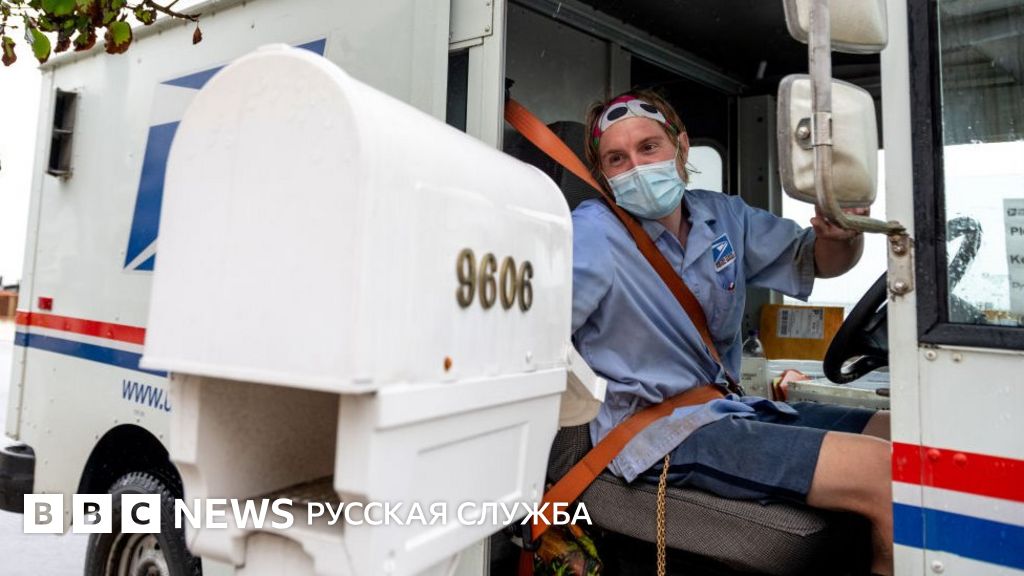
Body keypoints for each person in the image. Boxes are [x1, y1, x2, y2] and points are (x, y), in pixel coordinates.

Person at [572, 89, 892, 575]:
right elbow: (533, 336)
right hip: (654, 432)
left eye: (649, 147)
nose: (636, 167)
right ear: (603, 174)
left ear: (681, 147)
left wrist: (842, 235)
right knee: (884, 471)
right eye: (618, 159)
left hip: (728, 408)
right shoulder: (593, 232)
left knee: (899, 432)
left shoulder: (723, 216)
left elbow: (818, 260)